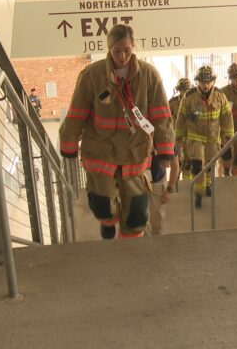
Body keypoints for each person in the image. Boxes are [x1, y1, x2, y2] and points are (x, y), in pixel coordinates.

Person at [59, 24, 174, 239]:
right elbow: (77, 112)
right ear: (109, 49)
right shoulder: (91, 75)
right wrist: (69, 145)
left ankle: (129, 251)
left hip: (135, 152)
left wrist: (165, 148)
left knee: (136, 212)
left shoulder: (149, 75)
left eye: (127, 51)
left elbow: (161, 113)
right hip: (101, 151)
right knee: (102, 203)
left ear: (134, 48)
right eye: (117, 51)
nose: (122, 57)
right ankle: (108, 222)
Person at [175, 65, 234, 208]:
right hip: (195, 139)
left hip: (213, 139)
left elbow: (227, 116)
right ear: (197, 82)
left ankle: (208, 185)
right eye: (202, 82)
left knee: (209, 165)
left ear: (213, 81)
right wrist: (179, 138)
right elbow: (181, 118)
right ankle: (198, 191)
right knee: (197, 165)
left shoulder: (220, 96)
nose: (205, 85)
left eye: (208, 82)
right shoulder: (189, 97)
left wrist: (228, 135)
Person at [146, 152, 178, 236]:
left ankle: (158, 244)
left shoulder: (164, 139)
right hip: (137, 181)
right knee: (138, 222)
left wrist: (168, 190)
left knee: (157, 221)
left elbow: (175, 166)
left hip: (157, 183)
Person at [170, 78, 191, 180]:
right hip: (176, 137)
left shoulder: (194, 101)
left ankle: (187, 184)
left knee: (189, 162)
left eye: (187, 90)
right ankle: (175, 184)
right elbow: (167, 120)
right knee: (177, 161)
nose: (185, 93)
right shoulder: (172, 103)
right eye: (183, 90)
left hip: (190, 136)